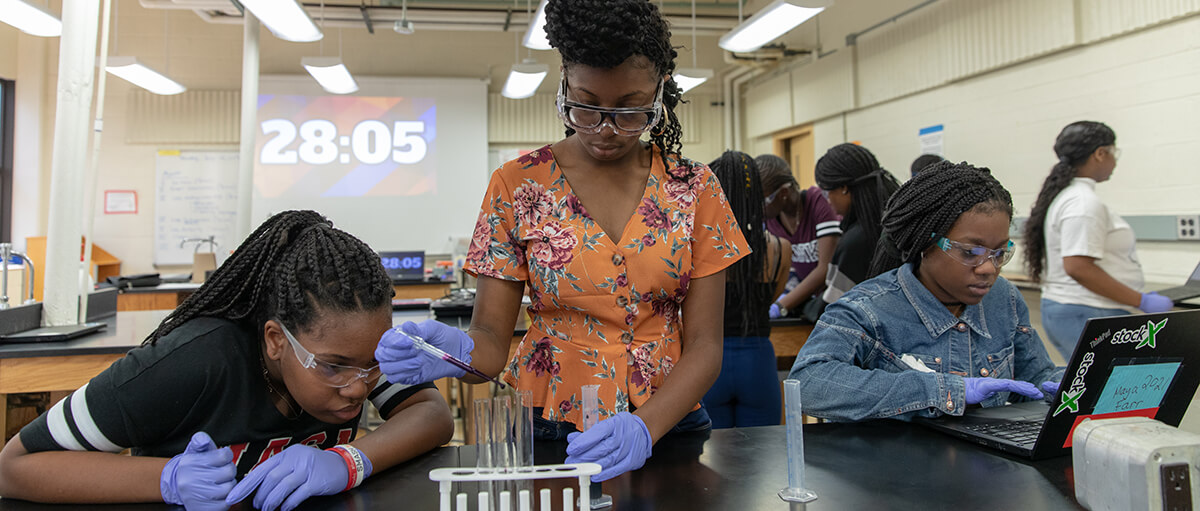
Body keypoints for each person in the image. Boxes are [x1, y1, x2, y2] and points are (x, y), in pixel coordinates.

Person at [375, 0, 747, 483]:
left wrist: (645, 426)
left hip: (666, 424)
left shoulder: (694, 188)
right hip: (550, 427)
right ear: (564, 82)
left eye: (630, 110)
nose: (606, 130)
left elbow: (705, 346)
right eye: (586, 106)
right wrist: (454, 352)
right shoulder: (518, 184)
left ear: (659, 95)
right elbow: (490, 344)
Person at [0, 211, 453, 510]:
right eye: (333, 368)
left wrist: (350, 460)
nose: (358, 387)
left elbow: (431, 414)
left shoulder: (353, 351)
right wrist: (167, 479)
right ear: (276, 340)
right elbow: (15, 467)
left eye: (372, 365)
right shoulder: (191, 361)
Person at [788, 162, 1062, 422]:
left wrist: (1063, 383)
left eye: (1000, 253)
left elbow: (1034, 378)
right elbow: (809, 382)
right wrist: (941, 391)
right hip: (895, 468)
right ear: (926, 244)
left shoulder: (1004, 298)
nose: (989, 268)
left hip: (985, 467)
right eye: (970, 252)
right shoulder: (867, 309)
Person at [1022, 121, 1172, 359]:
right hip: (1088, 310)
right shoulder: (1082, 202)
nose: (1115, 161)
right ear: (1100, 154)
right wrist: (1141, 300)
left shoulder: (1071, 196)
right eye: (1114, 153)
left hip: (1083, 309)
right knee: (1112, 389)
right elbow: (1078, 267)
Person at [701, 151, 791, 428]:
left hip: (708, 362)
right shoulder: (779, 249)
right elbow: (773, 295)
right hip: (758, 363)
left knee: (712, 458)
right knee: (762, 454)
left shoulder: (699, 248)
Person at [813, 143, 900, 305]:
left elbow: (834, 304)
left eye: (827, 192)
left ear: (844, 189)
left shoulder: (854, 242)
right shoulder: (896, 219)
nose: (828, 200)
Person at [758, 154, 841, 321]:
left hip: (835, 300)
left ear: (783, 193)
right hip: (806, 298)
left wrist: (781, 306)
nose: (759, 208)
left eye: (763, 201)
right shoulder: (771, 219)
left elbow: (826, 268)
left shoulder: (817, 202)